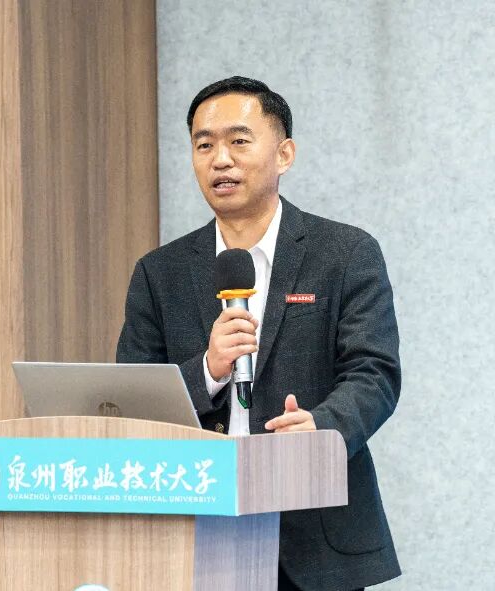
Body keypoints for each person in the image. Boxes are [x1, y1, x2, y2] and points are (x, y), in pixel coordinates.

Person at [116, 76, 401, 591]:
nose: (220, 159)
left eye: (239, 141)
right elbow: (133, 395)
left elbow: (373, 373)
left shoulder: (344, 253)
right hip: (195, 527)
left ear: (284, 154)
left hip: (315, 532)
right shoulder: (160, 272)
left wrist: (321, 428)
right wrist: (208, 370)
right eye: (204, 145)